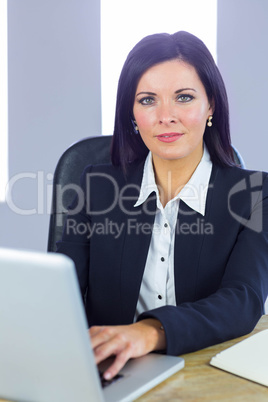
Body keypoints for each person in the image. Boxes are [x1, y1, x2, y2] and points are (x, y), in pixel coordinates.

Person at [56, 31, 268, 381]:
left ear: (211, 105)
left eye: (183, 98)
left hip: (207, 372)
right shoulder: (96, 187)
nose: (165, 116)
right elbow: (60, 293)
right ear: (132, 113)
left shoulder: (255, 193)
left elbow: (242, 300)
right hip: (108, 372)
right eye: (148, 100)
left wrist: (150, 332)